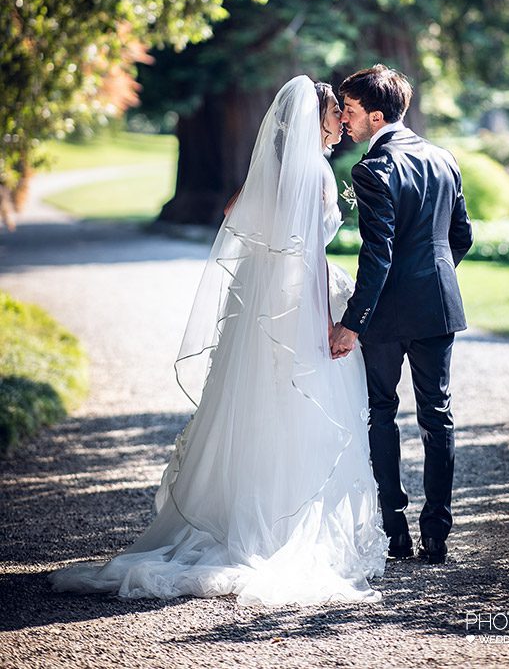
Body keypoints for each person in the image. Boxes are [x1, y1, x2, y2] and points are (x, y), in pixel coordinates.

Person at [49, 76, 387, 606]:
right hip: (297, 303)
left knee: (249, 402)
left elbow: (234, 215)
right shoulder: (317, 175)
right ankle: (279, 524)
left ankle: (232, 514)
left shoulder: (270, 171)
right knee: (297, 405)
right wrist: (328, 313)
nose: (344, 123)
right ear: (317, 121)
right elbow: (309, 255)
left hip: (257, 301)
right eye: (336, 115)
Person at [329, 65, 473, 565]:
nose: (343, 120)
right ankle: (437, 533)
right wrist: (433, 280)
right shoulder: (443, 158)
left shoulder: (371, 170)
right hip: (438, 306)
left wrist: (352, 323)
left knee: (381, 413)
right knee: (438, 415)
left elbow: (378, 255)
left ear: (374, 115)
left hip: (387, 314)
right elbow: (462, 237)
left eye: (348, 111)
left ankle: (395, 531)